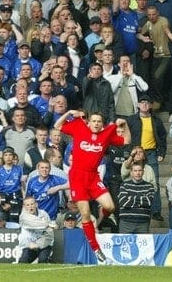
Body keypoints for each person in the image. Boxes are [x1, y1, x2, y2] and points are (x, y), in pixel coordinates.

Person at [54, 110, 130, 263]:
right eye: (93, 121)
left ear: (102, 124)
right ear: (88, 122)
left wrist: (125, 124)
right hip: (77, 177)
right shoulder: (79, 127)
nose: (96, 124)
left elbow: (126, 141)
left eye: (98, 121)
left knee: (110, 207)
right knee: (86, 213)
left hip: (93, 176)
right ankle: (96, 249)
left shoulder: (107, 133)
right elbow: (57, 125)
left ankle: (104, 215)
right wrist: (69, 112)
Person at [117, 162, 155, 234]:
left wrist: (130, 199)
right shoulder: (124, 185)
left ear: (143, 172)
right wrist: (141, 201)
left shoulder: (149, 186)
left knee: (143, 245)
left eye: (140, 170)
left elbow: (149, 202)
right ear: (131, 172)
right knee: (125, 245)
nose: (138, 173)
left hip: (143, 223)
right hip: (126, 222)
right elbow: (123, 202)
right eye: (135, 171)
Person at [17, 196, 55, 263]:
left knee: (43, 260)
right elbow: (34, 223)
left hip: (44, 244)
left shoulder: (44, 214)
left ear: (36, 204)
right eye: (27, 205)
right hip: (29, 245)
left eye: (32, 204)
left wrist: (38, 244)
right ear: (24, 207)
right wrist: (48, 224)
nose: (30, 206)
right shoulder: (23, 217)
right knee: (23, 262)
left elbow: (49, 233)